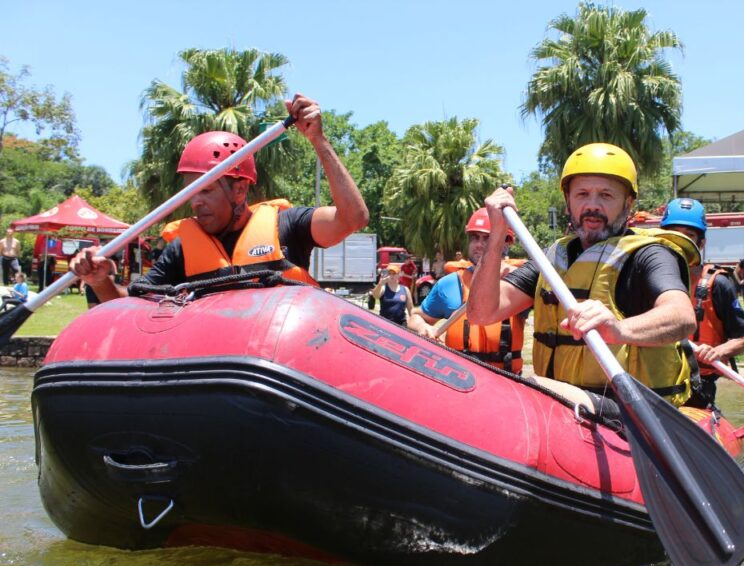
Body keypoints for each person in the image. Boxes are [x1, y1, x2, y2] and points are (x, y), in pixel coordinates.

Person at [467, 142, 701, 415]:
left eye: (605, 195)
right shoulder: (553, 259)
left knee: (530, 386)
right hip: (566, 403)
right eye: (582, 194)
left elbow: (682, 317)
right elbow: (481, 314)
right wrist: (497, 234)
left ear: (628, 203)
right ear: (568, 201)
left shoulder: (649, 256)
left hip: (633, 407)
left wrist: (616, 329)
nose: (592, 206)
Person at [70, 93, 369, 300]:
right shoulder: (182, 251)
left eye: (206, 191)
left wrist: (318, 140)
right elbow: (132, 306)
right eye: (191, 193)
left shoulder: (286, 225)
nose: (195, 202)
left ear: (239, 190)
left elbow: (353, 218)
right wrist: (100, 281)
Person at [407, 207, 525, 374]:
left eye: (487, 238)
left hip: (505, 381)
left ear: (505, 241)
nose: (478, 245)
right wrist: (422, 328)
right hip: (461, 380)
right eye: (475, 238)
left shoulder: (518, 282)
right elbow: (416, 316)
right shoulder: (450, 283)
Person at [660, 198, 744, 409]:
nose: (680, 243)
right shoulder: (646, 278)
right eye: (674, 235)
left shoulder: (718, 284)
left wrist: (718, 352)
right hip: (656, 378)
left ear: (701, 243)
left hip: (698, 382)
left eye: (689, 236)